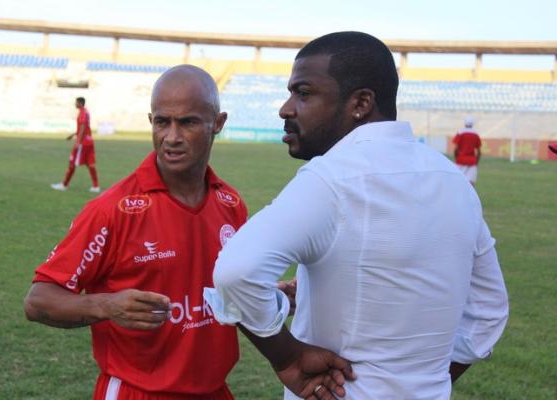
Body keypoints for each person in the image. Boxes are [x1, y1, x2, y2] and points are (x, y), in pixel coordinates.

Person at [205, 32, 509, 400]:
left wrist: (288, 358)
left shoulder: (333, 177)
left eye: (303, 93)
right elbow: (489, 312)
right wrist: (421, 382)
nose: (286, 109)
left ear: (361, 103)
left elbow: (237, 272)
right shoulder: (453, 181)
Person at [25, 65, 249, 399]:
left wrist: (270, 294)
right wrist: (107, 306)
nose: (171, 137)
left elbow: (220, 291)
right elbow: (39, 300)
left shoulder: (230, 203)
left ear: (218, 123)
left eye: (187, 122)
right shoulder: (112, 210)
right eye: (162, 121)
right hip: (137, 391)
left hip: (214, 391)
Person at [51, 97, 100, 192]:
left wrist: (78, 141)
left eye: (76, 102)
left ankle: (64, 185)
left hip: (83, 143)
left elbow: (82, 127)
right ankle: (96, 186)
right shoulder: (86, 112)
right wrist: (73, 135)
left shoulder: (82, 112)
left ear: (80, 103)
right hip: (89, 141)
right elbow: (84, 127)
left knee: (72, 162)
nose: (75, 104)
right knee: (90, 164)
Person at [453, 116, 482, 185]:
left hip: (460, 160)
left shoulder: (460, 133)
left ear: (465, 123)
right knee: (471, 185)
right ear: (473, 124)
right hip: (472, 161)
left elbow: (455, 149)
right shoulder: (476, 134)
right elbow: (479, 152)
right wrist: (476, 162)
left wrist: (457, 158)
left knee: (459, 183)